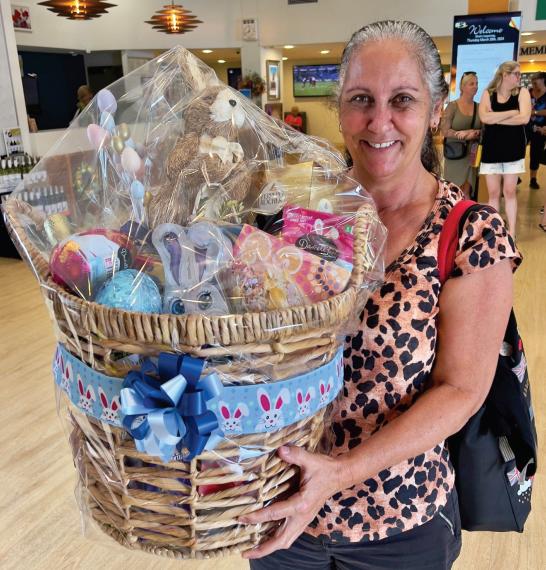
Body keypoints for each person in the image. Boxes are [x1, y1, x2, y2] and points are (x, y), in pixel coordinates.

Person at [240, 20, 520, 569]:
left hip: (398, 523)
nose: (379, 121)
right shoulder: (300, 218)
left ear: (436, 110)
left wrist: (340, 473)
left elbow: (462, 390)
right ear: (340, 109)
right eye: (361, 99)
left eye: (403, 100)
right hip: (281, 515)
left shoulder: (469, 233)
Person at [478, 61, 531, 238]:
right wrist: (511, 112)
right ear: (504, 75)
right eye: (516, 74)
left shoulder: (522, 92)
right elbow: (484, 118)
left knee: (509, 191)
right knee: (493, 193)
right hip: (491, 150)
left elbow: (524, 118)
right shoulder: (488, 93)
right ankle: (494, 231)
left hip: (514, 150)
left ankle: (512, 233)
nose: (519, 77)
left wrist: (495, 118)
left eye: (519, 74)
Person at [441, 71, 481, 198]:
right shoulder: (452, 106)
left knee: (467, 191)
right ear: (462, 87)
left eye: (477, 83)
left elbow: (484, 130)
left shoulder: (479, 107)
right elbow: (444, 130)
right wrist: (461, 134)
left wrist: (474, 133)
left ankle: (466, 211)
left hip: (472, 155)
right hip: (455, 154)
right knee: (454, 192)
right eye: (471, 84)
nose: (475, 86)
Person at [528, 71, 546, 189]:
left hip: (541, 129)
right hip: (526, 127)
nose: (533, 85)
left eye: (536, 82)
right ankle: (514, 176)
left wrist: (534, 112)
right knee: (517, 152)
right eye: (532, 83)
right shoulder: (528, 93)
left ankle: (533, 179)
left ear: (543, 80)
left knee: (536, 154)